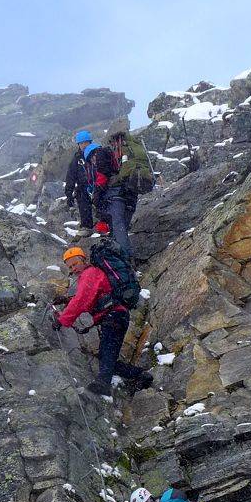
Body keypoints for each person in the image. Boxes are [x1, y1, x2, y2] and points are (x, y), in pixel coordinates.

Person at [56, 245, 153, 397]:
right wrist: (66, 300)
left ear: (84, 260)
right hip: (116, 315)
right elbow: (90, 296)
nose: (73, 269)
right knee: (106, 357)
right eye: (70, 267)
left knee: (107, 353)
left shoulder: (90, 273)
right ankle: (140, 375)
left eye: (75, 264)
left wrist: (62, 321)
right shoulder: (92, 274)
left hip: (113, 316)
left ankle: (103, 383)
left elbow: (81, 300)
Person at [83, 123, 153, 258]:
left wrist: (96, 195)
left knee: (118, 225)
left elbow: (102, 175)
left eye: (91, 160)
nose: (92, 163)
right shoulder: (115, 156)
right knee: (122, 226)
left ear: (91, 154)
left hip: (117, 196)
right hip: (130, 193)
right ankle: (122, 256)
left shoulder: (100, 154)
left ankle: (125, 257)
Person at [64, 130, 95, 230]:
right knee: (81, 196)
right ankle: (87, 226)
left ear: (90, 142)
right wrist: (69, 194)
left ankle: (105, 225)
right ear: (78, 145)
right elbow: (71, 177)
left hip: (99, 184)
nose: (84, 145)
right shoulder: (77, 159)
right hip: (84, 187)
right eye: (81, 143)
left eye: (86, 142)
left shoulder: (97, 154)